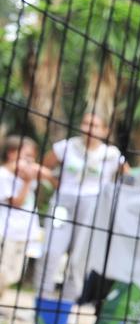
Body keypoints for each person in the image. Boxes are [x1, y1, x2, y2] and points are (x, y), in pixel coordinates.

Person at [33, 112, 128, 304]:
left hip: (92, 207)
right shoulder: (66, 146)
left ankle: (68, 303)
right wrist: (54, 181)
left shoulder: (111, 155)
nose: (88, 128)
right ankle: (41, 299)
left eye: (94, 125)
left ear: (105, 131)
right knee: (51, 250)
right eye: (85, 123)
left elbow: (130, 178)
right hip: (62, 205)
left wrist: (111, 195)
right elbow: (42, 167)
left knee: (80, 257)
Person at [0, 136, 53, 301]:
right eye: (26, 156)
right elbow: (16, 202)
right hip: (6, 231)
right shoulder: (3, 175)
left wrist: (35, 173)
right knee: (3, 270)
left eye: (32, 157)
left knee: (14, 273)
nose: (30, 161)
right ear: (11, 154)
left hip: (23, 232)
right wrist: (27, 182)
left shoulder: (26, 174)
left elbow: (48, 175)